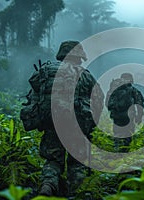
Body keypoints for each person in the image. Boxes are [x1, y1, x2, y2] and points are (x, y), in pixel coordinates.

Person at [36, 41, 104, 197]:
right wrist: (92, 122)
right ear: (79, 56)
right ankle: (76, 193)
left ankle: (48, 184)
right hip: (78, 126)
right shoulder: (85, 75)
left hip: (53, 123)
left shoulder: (46, 71)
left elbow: (35, 96)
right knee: (78, 162)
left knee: (53, 159)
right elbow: (99, 98)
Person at [105, 73, 144, 152]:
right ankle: (125, 151)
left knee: (117, 131)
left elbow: (107, 102)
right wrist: (139, 116)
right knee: (128, 132)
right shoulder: (132, 89)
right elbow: (139, 103)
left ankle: (117, 148)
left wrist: (113, 111)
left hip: (116, 115)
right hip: (129, 115)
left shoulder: (114, 88)